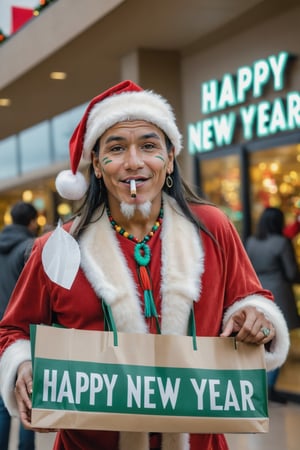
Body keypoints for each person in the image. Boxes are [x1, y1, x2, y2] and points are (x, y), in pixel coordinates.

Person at [0, 80, 290, 450]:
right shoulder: (57, 248)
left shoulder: (213, 229)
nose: (133, 162)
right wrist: (22, 367)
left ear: (169, 160)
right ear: (97, 166)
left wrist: (255, 317)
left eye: (149, 146)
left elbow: (252, 298)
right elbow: (13, 330)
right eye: (116, 148)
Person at [245, 207, 300, 403]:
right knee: (280, 342)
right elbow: (292, 273)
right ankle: (269, 386)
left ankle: (260, 384)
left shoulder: (251, 241)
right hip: (280, 296)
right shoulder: (282, 243)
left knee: (263, 341)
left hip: (258, 294)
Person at [0, 201, 38, 450]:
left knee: (2, 403)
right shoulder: (28, 249)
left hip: (2, 333)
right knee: (27, 395)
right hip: (19, 333)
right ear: (32, 222)